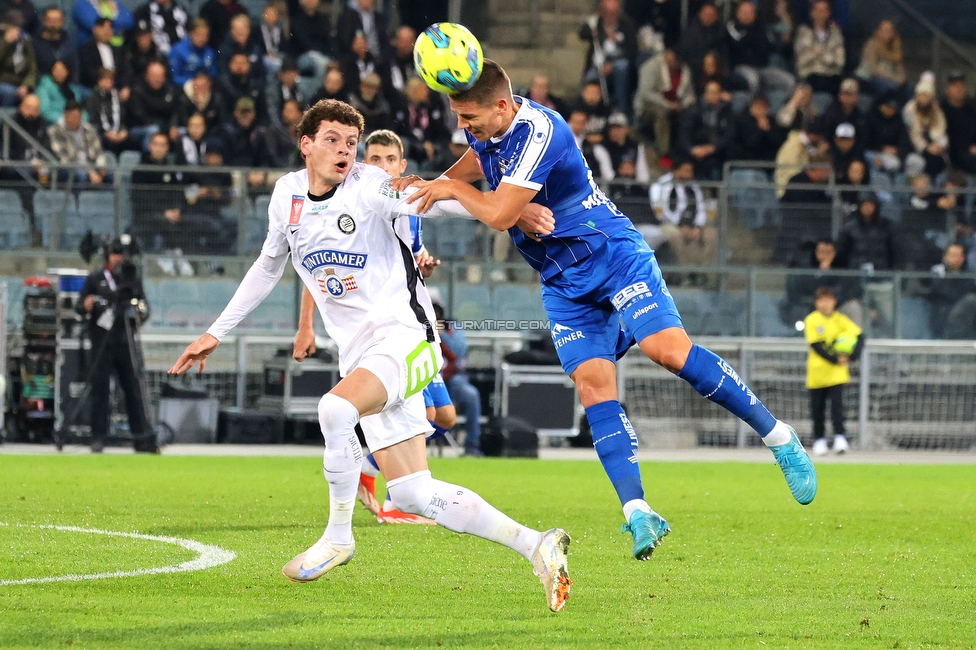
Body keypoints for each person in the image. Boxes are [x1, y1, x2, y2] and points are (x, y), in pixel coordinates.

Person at [392, 59, 818, 562]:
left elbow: (498, 212)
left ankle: (779, 436)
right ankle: (638, 510)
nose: (465, 128)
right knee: (594, 387)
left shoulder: (540, 130)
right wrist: (435, 185)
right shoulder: (488, 132)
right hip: (562, 280)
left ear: (503, 106)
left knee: (668, 352)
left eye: (471, 118)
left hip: (612, 254)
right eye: (460, 118)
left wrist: (464, 194)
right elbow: (472, 171)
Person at [168, 98, 572, 612]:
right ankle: (536, 544)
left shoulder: (369, 185)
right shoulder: (286, 195)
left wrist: (510, 209)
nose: (343, 150)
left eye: (351, 142)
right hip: (361, 354)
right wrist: (214, 333)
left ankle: (339, 536)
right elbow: (268, 267)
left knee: (335, 409)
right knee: (411, 494)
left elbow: (434, 200)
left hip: (410, 338)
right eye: (332, 140)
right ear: (306, 143)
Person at [78, 236, 154, 453]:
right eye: (116, 253)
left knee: (132, 388)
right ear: (108, 256)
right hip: (102, 341)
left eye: (122, 253)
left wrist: (139, 313)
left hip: (125, 340)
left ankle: (140, 436)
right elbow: (80, 307)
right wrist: (87, 304)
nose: (119, 257)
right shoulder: (95, 279)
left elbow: (143, 307)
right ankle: (98, 436)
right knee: (100, 390)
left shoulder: (130, 279)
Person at [802, 286, 862, 457]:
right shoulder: (812, 320)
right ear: (816, 303)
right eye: (821, 300)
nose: (825, 304)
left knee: (838, 408)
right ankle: (819, 440)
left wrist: (852, 357)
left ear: (834, 302)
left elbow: (860, 336)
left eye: (828, 300)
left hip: (837, 374)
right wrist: (836, 359)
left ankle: (840, 438)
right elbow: (816, 345)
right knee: (817, 409)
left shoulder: (840, 320)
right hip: (817, 373)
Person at [632, 47, 695, 161]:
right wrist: (667, 104)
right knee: (661, 113)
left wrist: (683, 105)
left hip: (676, 106)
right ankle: (664, 154)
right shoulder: (651, 67)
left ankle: (686, 154)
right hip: (648, 106)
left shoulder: (684, 70)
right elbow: (645, 93)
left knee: (691, 113)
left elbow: (690, 94)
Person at [578, 0, 638, 116]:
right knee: (591, 77)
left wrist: (613, 61)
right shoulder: (597, 23)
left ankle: (621, 110)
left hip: (619, 62)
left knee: (621, 68)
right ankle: (585, 111)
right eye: (607, 12)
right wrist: (593, 32)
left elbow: (633, 51)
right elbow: (582, 34)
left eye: (614, 12)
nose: (611, 16)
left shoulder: (626, 25)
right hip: (598, 63)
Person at [677, 79, 734, 180]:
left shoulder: (727, 112)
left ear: (720, 94)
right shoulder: (693, 111)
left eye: (715, 92)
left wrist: (714, 147)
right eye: (709, 92)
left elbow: (729, 134)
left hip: (718, 154)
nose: (712, 95)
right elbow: (684, 134)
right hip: (695, 154)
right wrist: (692, 149)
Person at [47, 99, 109, 185]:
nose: (74, 120)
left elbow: (99, 152)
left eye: (77, 117)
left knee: (111, 175)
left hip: (90, 165)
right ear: (65, 115)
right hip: (67, 168)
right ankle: (80, 198)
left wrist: (101, 166)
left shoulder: (89, 130)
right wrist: (89, 171)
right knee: (81, 175)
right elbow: (63, 159)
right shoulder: (55, 131)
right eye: (71, 117)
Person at [903, 72, 948, 181]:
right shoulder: (909, 110)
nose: (924, 98)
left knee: (939, 160)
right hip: (914, 147)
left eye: (926, 96)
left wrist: (939, 145)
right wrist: (926, 148)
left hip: (933, 145)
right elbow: (912, 134)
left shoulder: (936, 110)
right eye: (921, 95)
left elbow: (941, 129)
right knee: (929, 160)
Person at [793, 0, 844, 94]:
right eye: (818, 10)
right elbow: (802, 60)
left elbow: (839, 61)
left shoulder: (835, 34)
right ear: (812, 13)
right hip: (810, 75)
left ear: (828, 13)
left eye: (824, 11)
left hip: (831, 75)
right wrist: (826, 54)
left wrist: (817, 53)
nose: (821, 14)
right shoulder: (803, 32)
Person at [927, 243, 976, 339]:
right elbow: (942, 293)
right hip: (943, 317)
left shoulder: (969, 276)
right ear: (944, 256)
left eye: (959, 255)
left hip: (966, 320)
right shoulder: (937, 273)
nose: (956, 258)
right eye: (952, 255)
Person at [856, 19, 905, 97]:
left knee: (908, 88)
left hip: (891, 79)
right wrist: (892, 78)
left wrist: (900, 80)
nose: (887, 33)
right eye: (885, 30)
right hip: (870, 78)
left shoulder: (895, 49)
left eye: (890, 30)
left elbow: (900, 71)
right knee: (891, 87)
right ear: (879, 31)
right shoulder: (872, 44)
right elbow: (872, 67)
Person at [0, 10, 38, 107]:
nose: (16, 30)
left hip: (20, 83)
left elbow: (32, 68)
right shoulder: (2, 39)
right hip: (3, 81)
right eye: (12, 26)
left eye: (18, 27)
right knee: (9, 92)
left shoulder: (25, 41)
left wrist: (26, 85)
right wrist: (5, 42)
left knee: (35, 98)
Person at [942, 71, 976, 175]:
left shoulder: (971, 109)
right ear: (948, 89)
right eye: (955, 86)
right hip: (954, 153)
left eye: (961, 85)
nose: (959, 89)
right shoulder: (942, 109)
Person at [78, 17, 125, 89]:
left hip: (116, 87)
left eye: (109, 28)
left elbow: (123, 71)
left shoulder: (118, 51)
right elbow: (88, 71)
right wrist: (102, 81)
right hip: (94, 87)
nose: (106, 31)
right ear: (95, 29)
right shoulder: (86, 50)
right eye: (103, 28)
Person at [169, 18, 217, 86]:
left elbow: (213, 75)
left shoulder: (210, 52)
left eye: (205, 35)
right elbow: (174, 77)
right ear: (191, 33)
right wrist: (194, 83)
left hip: (205, 88)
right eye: (199, 34)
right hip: (183, 88)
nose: (202, 39)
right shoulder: (178, 51)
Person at [32, 7, 77, 79]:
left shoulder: (69, 43)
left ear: (62, 22)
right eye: (50, 20)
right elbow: (32, 70)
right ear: (44, 21)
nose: (53, 24)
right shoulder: (34, 43)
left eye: (56, 20)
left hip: (66, 84)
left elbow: (75, 68)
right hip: (43, 84)